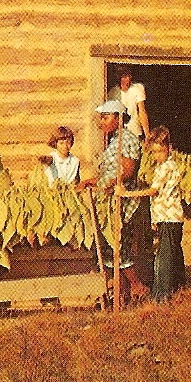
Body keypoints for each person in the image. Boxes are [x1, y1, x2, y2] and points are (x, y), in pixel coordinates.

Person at [81, 99, 150, 307]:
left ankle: (138, 286)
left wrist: (109, 184)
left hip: (123, 200)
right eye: (101, 118)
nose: (101, 122)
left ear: (119, 119)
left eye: (106, 117)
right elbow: (108, 172)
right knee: (113, 247)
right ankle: (122, 295)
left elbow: (127, 171)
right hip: (109, 198)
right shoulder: (113, 140)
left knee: (119, 246)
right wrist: (88, 181)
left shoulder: (127, 138)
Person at [118, 126, 185, 302]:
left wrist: (126, 194)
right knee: (173, 253)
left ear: (169, 148)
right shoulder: (163, 165)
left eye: (160, 151)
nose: (157, 156)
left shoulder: (167, 167)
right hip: (168, 217)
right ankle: (179, 288)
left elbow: (153, 192)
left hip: (169, 217)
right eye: (154, 152)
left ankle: (160, 296)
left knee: (163, 257)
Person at [109, 65, 150, 141]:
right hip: (119, 134)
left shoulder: (138, 88)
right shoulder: (112, 93)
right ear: (119, 78)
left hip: (135, 132)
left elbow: (142, 111)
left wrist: (147, 135)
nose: (128, 79)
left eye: (129, 76)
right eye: (124, 77)